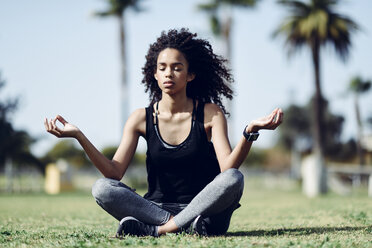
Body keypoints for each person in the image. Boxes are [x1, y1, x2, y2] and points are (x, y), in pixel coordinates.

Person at [44, 28, 283, 237]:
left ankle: (158, 231)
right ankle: (179, 226)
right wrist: (79, 136)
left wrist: (249, 132)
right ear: (155, 75)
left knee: (234, 179)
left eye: (177, 68)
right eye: (163, 68)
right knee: (101, 188)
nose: (169, 73)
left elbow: (227, 169)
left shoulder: (210, 113)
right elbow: (113, 172)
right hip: (155, 210)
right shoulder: (140, 118)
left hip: (204, 211)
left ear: (190, 75)